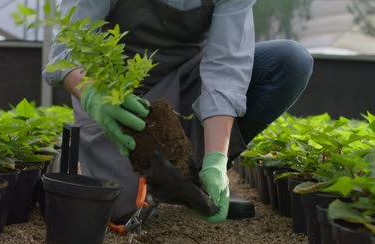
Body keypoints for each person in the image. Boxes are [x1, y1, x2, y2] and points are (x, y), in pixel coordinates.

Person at [43, 0, 314, 224]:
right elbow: (67, 53)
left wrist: (216, 159)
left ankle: (196, 180)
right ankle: (159, 182)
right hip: (113, 90)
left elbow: (225, 69)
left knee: (289, 61)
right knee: (119, 208)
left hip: (187, 80)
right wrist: (93, 94)